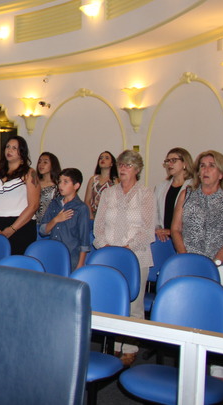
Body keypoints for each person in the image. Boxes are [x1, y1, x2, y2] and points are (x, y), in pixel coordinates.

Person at [93, 149, 156, 367]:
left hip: (135, 256)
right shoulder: (108, 193)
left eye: (128, 165)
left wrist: (127, 249)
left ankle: (129, 347)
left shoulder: (146, 194)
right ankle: (113, 345)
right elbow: (98, 226)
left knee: (134, 305)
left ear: (137, 169)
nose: (123, 168)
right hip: (110, 256)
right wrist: (106, 247)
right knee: (112, 303)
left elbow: (148, 230)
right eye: (121, 164)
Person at [171, 151, 223, 295]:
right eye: (202, 166)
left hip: (221, 266)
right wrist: (185, 257)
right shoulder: (186, 195)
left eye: (211, 166)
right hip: (189, 263)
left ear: (221, 174)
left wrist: (215, 262)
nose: (206, 170)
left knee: (214, 311)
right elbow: (176, 229)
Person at [0, 136, 39, 255]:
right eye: (8, 147)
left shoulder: (29, 173)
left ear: (22, 152)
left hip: (21, 225)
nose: (9, 150)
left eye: (14, 148)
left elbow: (33, 205)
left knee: (16, 265)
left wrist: (13, 228)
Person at [39, 168, 91, 271]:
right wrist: (55, 220)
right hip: (53, 255)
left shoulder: (81, 208)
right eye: (60, 182)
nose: (60, 185)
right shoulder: (54, 203)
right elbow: (42, 231)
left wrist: (80, 265)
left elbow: (84, 240)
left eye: (65, 182)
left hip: (71, 257)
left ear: (76, 186)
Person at [154, 147, 193, 242]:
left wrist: (173, 231)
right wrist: (158, 228)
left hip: (186, 238)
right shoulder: (161, 187)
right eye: (167, 161)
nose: (169, 164)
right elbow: (155, 212)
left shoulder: (194, 186)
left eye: (174, 160)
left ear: (185, 163)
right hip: (164, 239)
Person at [84, 150, 119, 220]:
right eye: (101, 158)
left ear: (111, 163)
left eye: (107, 158)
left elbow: (117, 201)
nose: (103, 159)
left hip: (109, 218)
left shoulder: (115, 181)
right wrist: (91, 216)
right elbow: (87, 200)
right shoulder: (93, 179)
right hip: (93, 217)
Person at [35, 152, 61, 224]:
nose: (41, 165)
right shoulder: (33, 184)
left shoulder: (58, 186)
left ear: (53, 165)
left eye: (45, 162)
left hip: (49, 224)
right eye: (39, 162)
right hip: (31, 223)